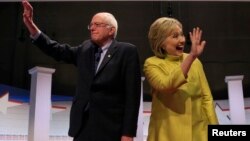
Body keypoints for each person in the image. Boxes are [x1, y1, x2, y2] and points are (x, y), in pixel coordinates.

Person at [22, 0, 141, 141]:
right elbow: (57, 50)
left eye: (97, 24)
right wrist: (32, 27)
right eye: (91, 25)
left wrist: (128, 134)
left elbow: (132, 97)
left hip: (111, 129)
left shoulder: (126, 51)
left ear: (111, 30)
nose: (92, 28)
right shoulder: (86, 48)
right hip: (82, 127)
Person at [143, 17, 219, 141]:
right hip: (167, 133)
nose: (182, 40)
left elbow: (206, 99)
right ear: (161, 41)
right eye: (175, 36)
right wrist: (192, 56)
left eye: (182, 35)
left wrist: (215, 129)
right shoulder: (151, 64)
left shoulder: (195, 63)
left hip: (199, 132)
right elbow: (166, 86)